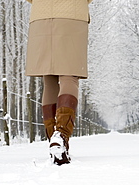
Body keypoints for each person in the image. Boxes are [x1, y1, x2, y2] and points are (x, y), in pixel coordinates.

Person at [25, 0, 93, 165]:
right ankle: (60, 136)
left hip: (40, 17)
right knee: (69, 75)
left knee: (49, 79)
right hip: (72, 15)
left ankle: (54, 140)